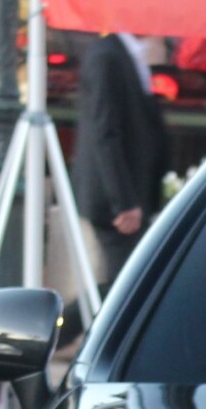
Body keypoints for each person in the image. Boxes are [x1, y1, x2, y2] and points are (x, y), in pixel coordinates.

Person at [74, 29, 172, 289]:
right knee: (124, 285)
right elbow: (105, 133)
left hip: (134, 196)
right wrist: (124, 201)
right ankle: (67, 324)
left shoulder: (126, 54)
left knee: (126, 282)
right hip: (117, 201)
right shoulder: (107, 56)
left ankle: (75, 324)